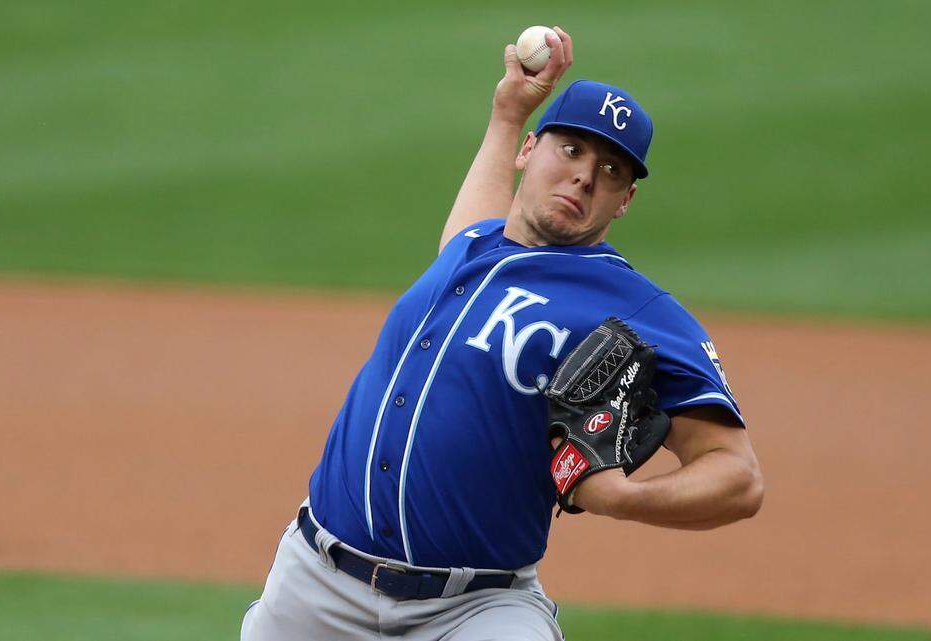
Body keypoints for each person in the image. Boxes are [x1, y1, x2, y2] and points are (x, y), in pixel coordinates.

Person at [241, 27, 763, 641]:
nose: (584, 177)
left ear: (624, 200)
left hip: (476, 610)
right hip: (315, 586)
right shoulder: (471, 249)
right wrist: (508, 113)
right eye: (570, 151)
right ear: (531, 150)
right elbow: (473, 226)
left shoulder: (636, 308)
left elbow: (738, 476)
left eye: (610, 170)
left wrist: (621, 499)